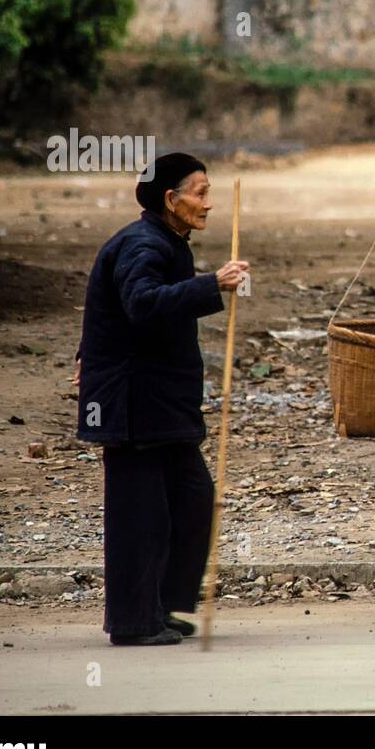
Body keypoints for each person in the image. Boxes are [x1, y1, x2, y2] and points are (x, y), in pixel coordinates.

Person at [74, 153, 250, 646]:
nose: (209, 204)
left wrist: (89, 351)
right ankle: (133, 622)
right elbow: (141, 304)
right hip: (135, 405)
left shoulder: (166, 241)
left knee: (191, 501)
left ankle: (160, 605)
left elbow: (109, 308)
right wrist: (211, 285)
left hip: (161, 405)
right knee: (140, 515)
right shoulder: (142, 244)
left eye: (209, 192)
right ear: (171, 200)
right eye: (199, 192)